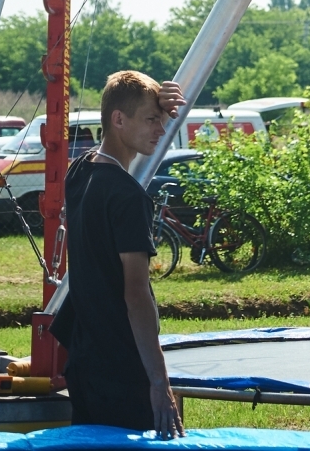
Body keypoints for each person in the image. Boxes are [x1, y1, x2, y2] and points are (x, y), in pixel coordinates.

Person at [50, 70, 186, 436]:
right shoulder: (128, 197)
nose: (161, 130)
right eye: (152, 120)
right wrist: (159, 382)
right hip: (121, 368)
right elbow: (136, 295)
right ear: (119, 120)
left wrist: (155, 101)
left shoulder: (80, 172)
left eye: (161, 119)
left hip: (85, 361)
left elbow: (121, 95)